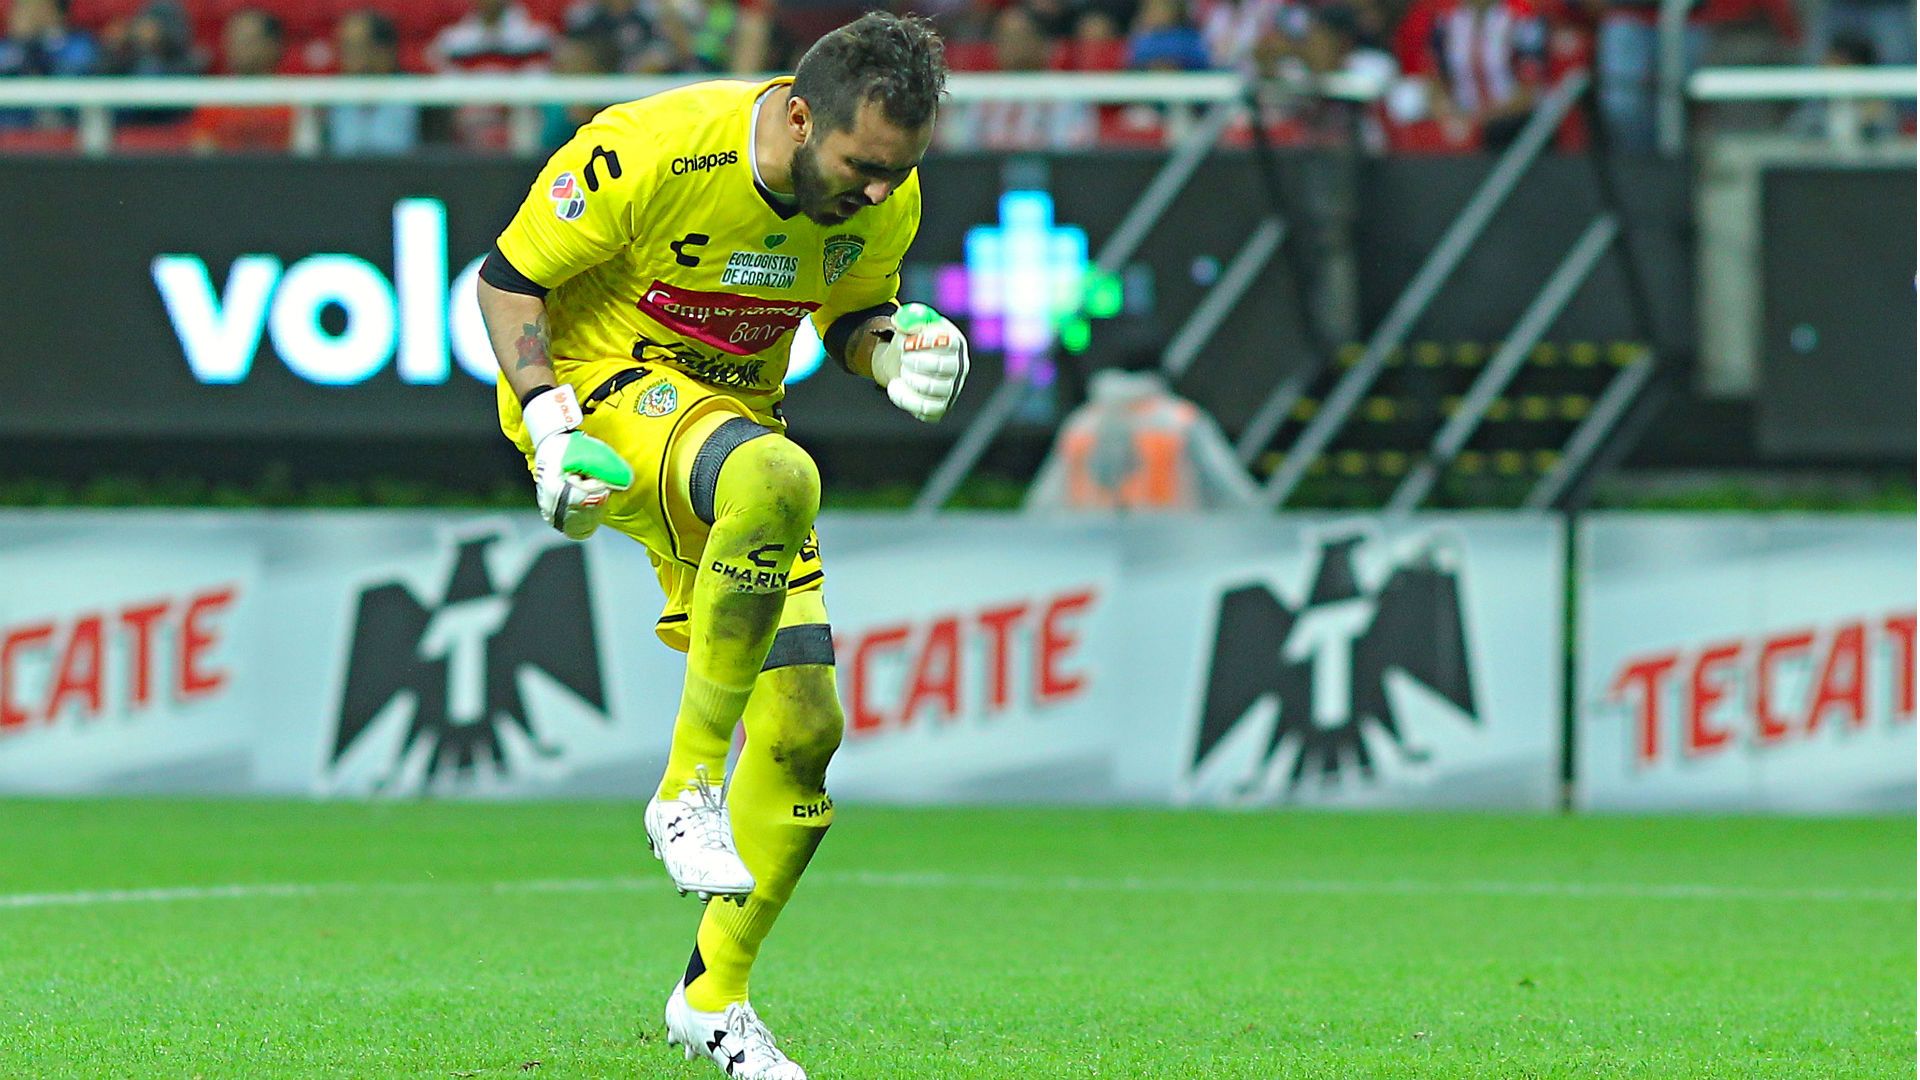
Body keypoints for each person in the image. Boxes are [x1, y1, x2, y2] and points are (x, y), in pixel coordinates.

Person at [474, 14, 966, 1078]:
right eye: (862, 168)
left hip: (730, 431)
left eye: (899, 173)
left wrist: (894, 357)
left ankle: (713, 1000)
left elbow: (849, 314)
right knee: (777, 474)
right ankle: (684, 788)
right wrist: (550, 424)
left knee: (803, 729)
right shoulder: (651, 149)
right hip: (603, 397)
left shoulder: (887, 195)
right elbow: (504, 279)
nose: (879, 193)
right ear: (799, 113)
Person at [188, 8, 291, 153]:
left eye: (246, 40)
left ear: (272, 45)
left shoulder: (293, 96)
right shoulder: (215, 98)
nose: (236, 46)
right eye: (232, 39)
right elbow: (202, 149)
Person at [327, 9, 420, 157]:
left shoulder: (420, 97)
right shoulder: (330, 98)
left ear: (383, 50)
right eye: (341, 47)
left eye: (352, 47)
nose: (344, 55)